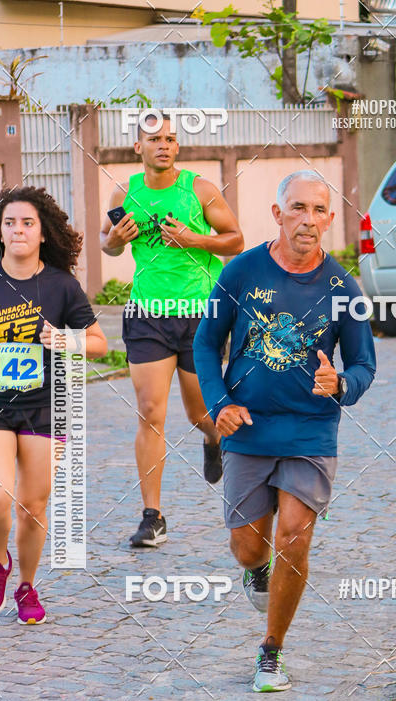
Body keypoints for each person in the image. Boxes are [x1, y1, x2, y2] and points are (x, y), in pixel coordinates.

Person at [193, 170, 376, 692]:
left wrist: (340, 383)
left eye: (319, 211)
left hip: (310, 431)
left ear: (330, 219)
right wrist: (219, 403)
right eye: (298, 208)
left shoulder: (344, 288)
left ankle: (271, 650)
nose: (309, 220)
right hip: (247, 428)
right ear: (277, 214)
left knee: (295, 535)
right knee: (250, 548)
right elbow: (206, 345)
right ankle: (256, 569)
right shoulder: (241, 273)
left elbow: (365, 365)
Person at [100, 112, 244, 548]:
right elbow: (106, 244)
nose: (163, 145)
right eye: (154, 139)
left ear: (177, 148)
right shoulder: (126, 191)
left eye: (170, 139)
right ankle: (153, 517)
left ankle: (214, 440)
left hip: (199, 314)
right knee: (150, 411)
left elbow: (235, 239)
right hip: (147, 313)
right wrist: (117, 239)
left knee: (200, 414)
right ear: (137, 149)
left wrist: (194, 239)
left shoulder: (198, 189)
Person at [0, 185, 107, 624]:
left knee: (32, 506)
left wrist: (65, 339)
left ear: (43, 233)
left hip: (45, 404)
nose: (17, 230)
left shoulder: (61, 285)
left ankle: (27, 586)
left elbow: (100, 343)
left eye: (27, 223)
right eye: (9, 222)